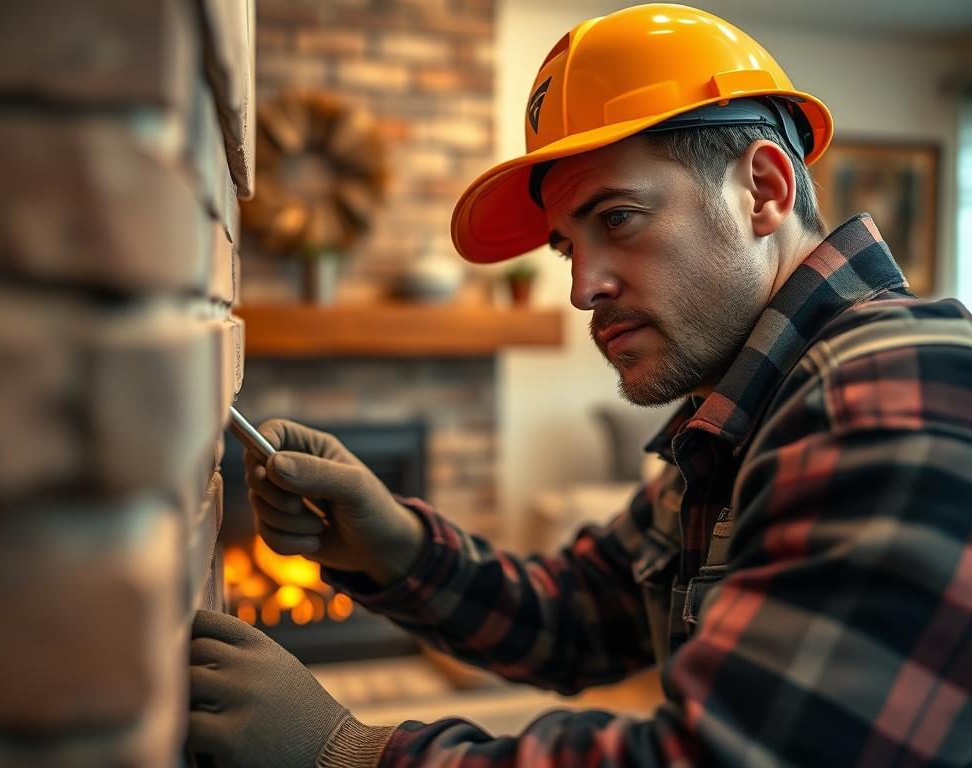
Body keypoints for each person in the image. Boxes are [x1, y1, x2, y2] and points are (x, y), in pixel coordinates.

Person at [187, 4, 972, 766]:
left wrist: (351, 753)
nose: (582, 287)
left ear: (762, 190)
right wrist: (391, 542)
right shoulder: (742, 413)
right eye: (568, 248)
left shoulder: (884, 386)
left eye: (620, 218)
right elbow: (582, 615)